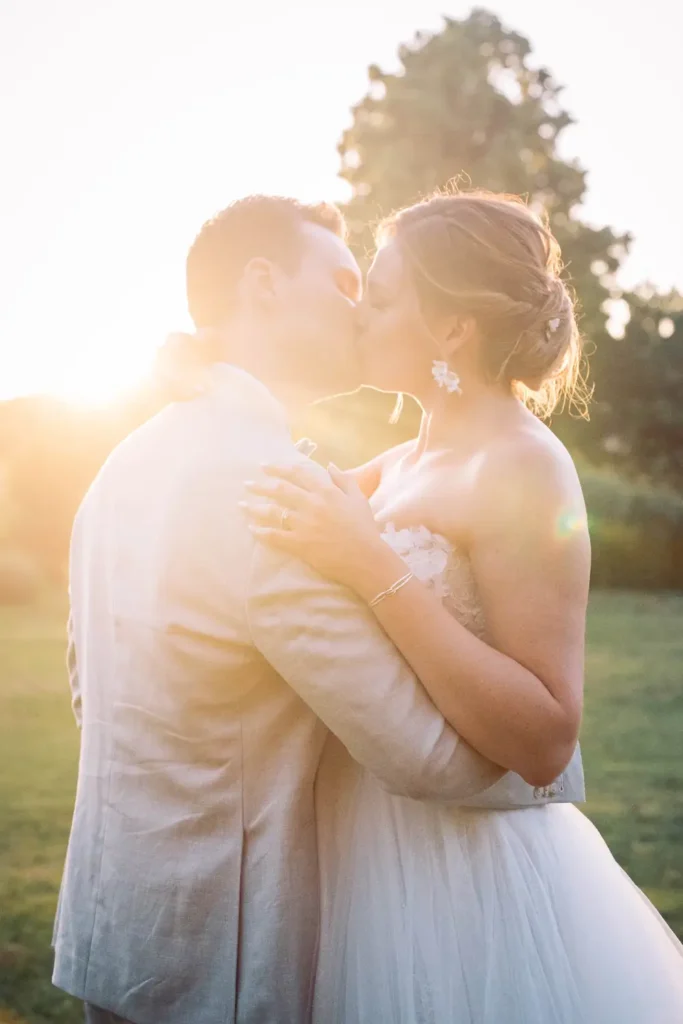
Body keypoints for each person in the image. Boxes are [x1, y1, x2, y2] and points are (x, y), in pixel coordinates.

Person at [53, 194, 520, 1024]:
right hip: (220, 966)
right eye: (343, 282)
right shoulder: (265, 490)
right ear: (264, 284)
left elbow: (87, 688)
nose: (363, 306)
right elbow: (425, 761)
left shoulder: (125, 462)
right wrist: (543, 758)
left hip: (114, 934)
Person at [242, 191, 683, 1023]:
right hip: (365, 857)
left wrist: (368, 562)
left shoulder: (522, 467)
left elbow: (545, 737)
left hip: (466, 885)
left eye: (379, 296)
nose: (357, 312)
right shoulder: (395, 463)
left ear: (452, 329)